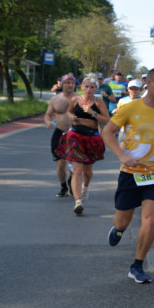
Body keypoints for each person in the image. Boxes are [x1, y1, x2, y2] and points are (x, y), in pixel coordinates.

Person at [102, 68, 154, 284]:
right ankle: (119, 229)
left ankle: (137, 265)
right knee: (122, 220)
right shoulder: (130, 108)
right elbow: (107, 132)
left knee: (150, 219)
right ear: (148, 83)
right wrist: (121, 155)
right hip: (131, 173)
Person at [58, 74, 110, 215]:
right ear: (81, 87)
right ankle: (78, 201)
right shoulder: (75, 100)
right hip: (75, 136)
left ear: (95, 89)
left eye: (92, 87)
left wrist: (93, 113)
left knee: (87, 172)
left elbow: (107, 120)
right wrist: (71, 117)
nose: (88, 89)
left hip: (91, 137)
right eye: (86, 86)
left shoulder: (98, 102)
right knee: (77, 170)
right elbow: (68, 112)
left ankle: (85, 187)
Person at [43, 74, 78, 198]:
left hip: (75, 134)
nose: (70, 85)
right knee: (61, 163)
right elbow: (48, 114)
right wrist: (47, 121)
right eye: (67, 83)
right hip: (59, 132)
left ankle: (72, 182)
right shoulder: (55, 99)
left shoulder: (79, 99)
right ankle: (63, 186)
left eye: (72, 83)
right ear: (62, 84)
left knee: (75, 164)